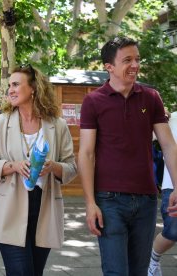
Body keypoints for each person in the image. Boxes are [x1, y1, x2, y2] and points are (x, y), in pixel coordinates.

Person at [78, 36, 177, 275]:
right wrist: (90, 203)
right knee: (116, 271)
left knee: (139, 271)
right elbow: (87, 153)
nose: (135, 65)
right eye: (127, 60)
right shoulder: (93, 101)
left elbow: (169, 145)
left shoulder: (151, 97)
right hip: (109, 200)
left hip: (146, 199)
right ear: (108, 66)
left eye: (137, 59)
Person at [0, 64, 77, 275]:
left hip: (44, 209)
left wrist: (53, 166)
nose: (10, 90)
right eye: (9, 86)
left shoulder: (58, 125)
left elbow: (71, 167)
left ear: (33, 88)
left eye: (16, 84)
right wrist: (13, 166)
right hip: (9, 208)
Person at [148, 110, 177, 276]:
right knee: (173, 231)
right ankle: (153, 259)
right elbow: (145, 136)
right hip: (171, 184)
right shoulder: (171, 119)